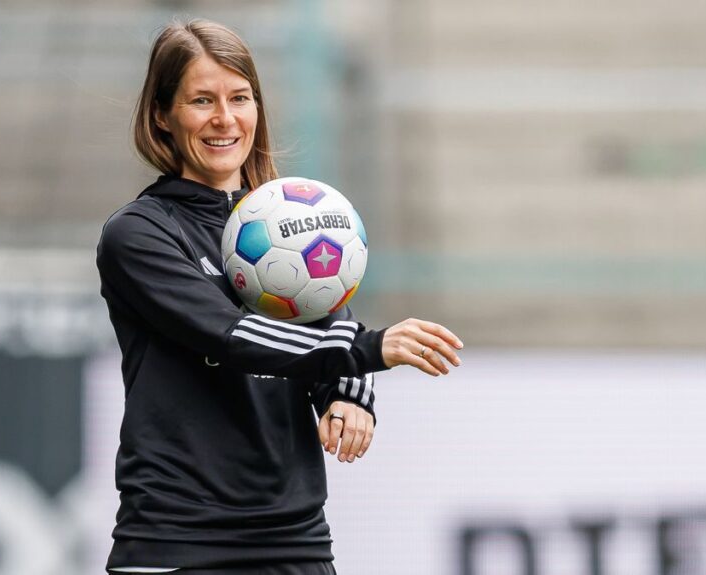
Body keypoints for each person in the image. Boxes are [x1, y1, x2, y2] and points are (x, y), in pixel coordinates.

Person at [95, 18, 463, 575]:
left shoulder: (294, 218)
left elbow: (331, 322)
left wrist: (346, 393)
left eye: (239, 98)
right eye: (201, 100)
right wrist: (368, 352)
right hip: (178, 542)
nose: (225, 118)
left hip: (296, 541)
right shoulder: (139, 233)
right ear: (162, 116)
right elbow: (231, 335)